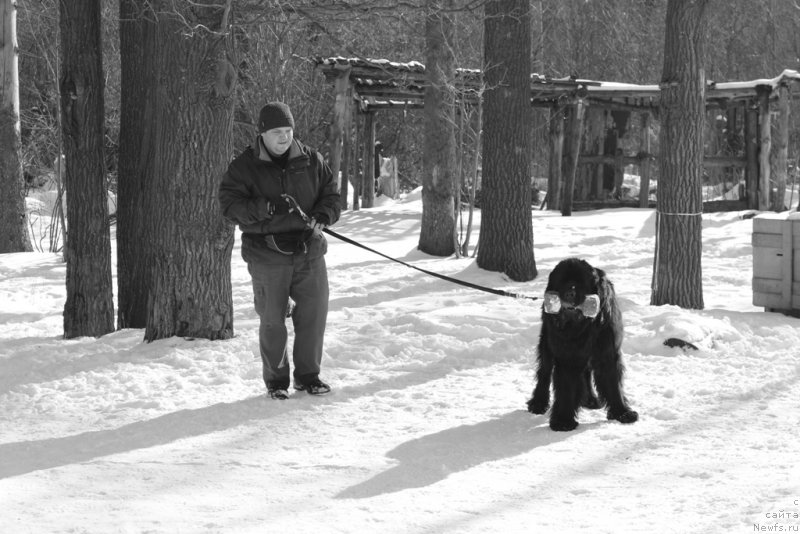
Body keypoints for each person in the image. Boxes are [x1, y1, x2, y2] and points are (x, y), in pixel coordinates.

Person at [218, 102, 341, 400]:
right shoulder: (244, 166)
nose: (284, 137)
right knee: (272, 319)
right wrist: (262, 208)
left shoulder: (312, 160)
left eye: (288, 130)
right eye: (277, 132)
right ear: (263, 133)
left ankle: (308, 376)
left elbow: (332, 195)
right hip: (266, 255)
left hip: (308, 250)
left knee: (314, 314)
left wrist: (323, 215)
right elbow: (229, 206)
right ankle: (276, 382)